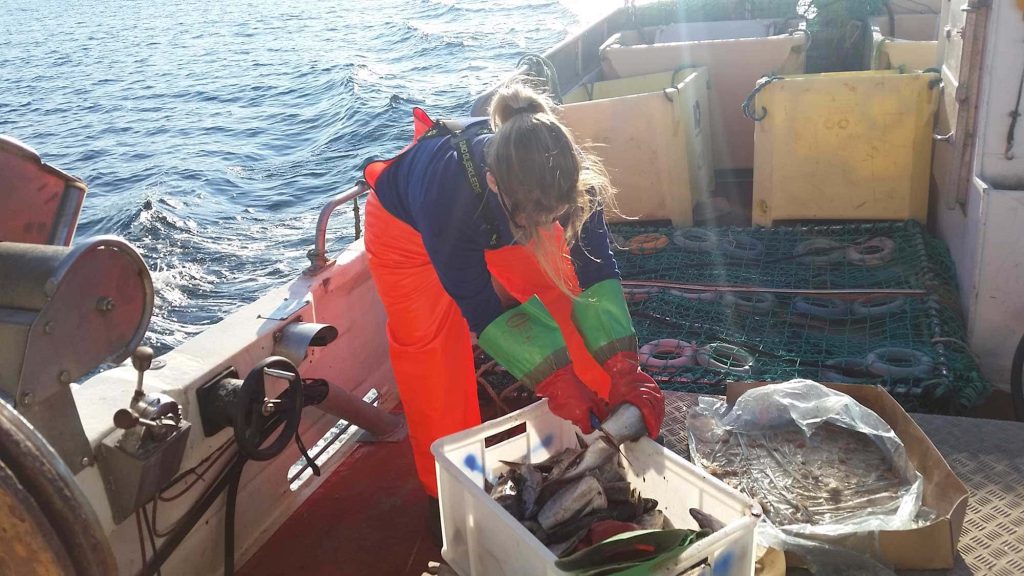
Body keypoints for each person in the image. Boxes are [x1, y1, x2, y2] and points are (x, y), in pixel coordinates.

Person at [362, 81, 664, 510]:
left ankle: (614, 418)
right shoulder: (451, 200)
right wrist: (556, 381)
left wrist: (624, 368)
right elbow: (484, 311)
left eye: (554, 216)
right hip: (407, 232)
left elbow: (595, 277)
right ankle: (447, 494)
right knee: (433, 359)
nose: (547, 225)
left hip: (504, 216)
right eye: (536, 219)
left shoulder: (568, 181)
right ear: (493, 182)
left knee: (566, 293)